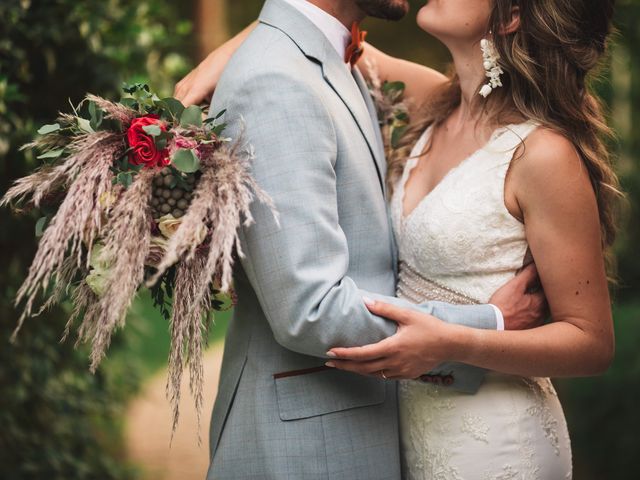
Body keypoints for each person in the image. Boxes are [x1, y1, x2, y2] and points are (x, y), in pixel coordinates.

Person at [175, 0, 618, 478]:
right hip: (409, 429)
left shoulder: (544, 154)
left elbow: (591, 341)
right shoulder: (438, 105)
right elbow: (310, 25)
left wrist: (460, 340)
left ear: (510, 16)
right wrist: (222, 59)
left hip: (494, 439)